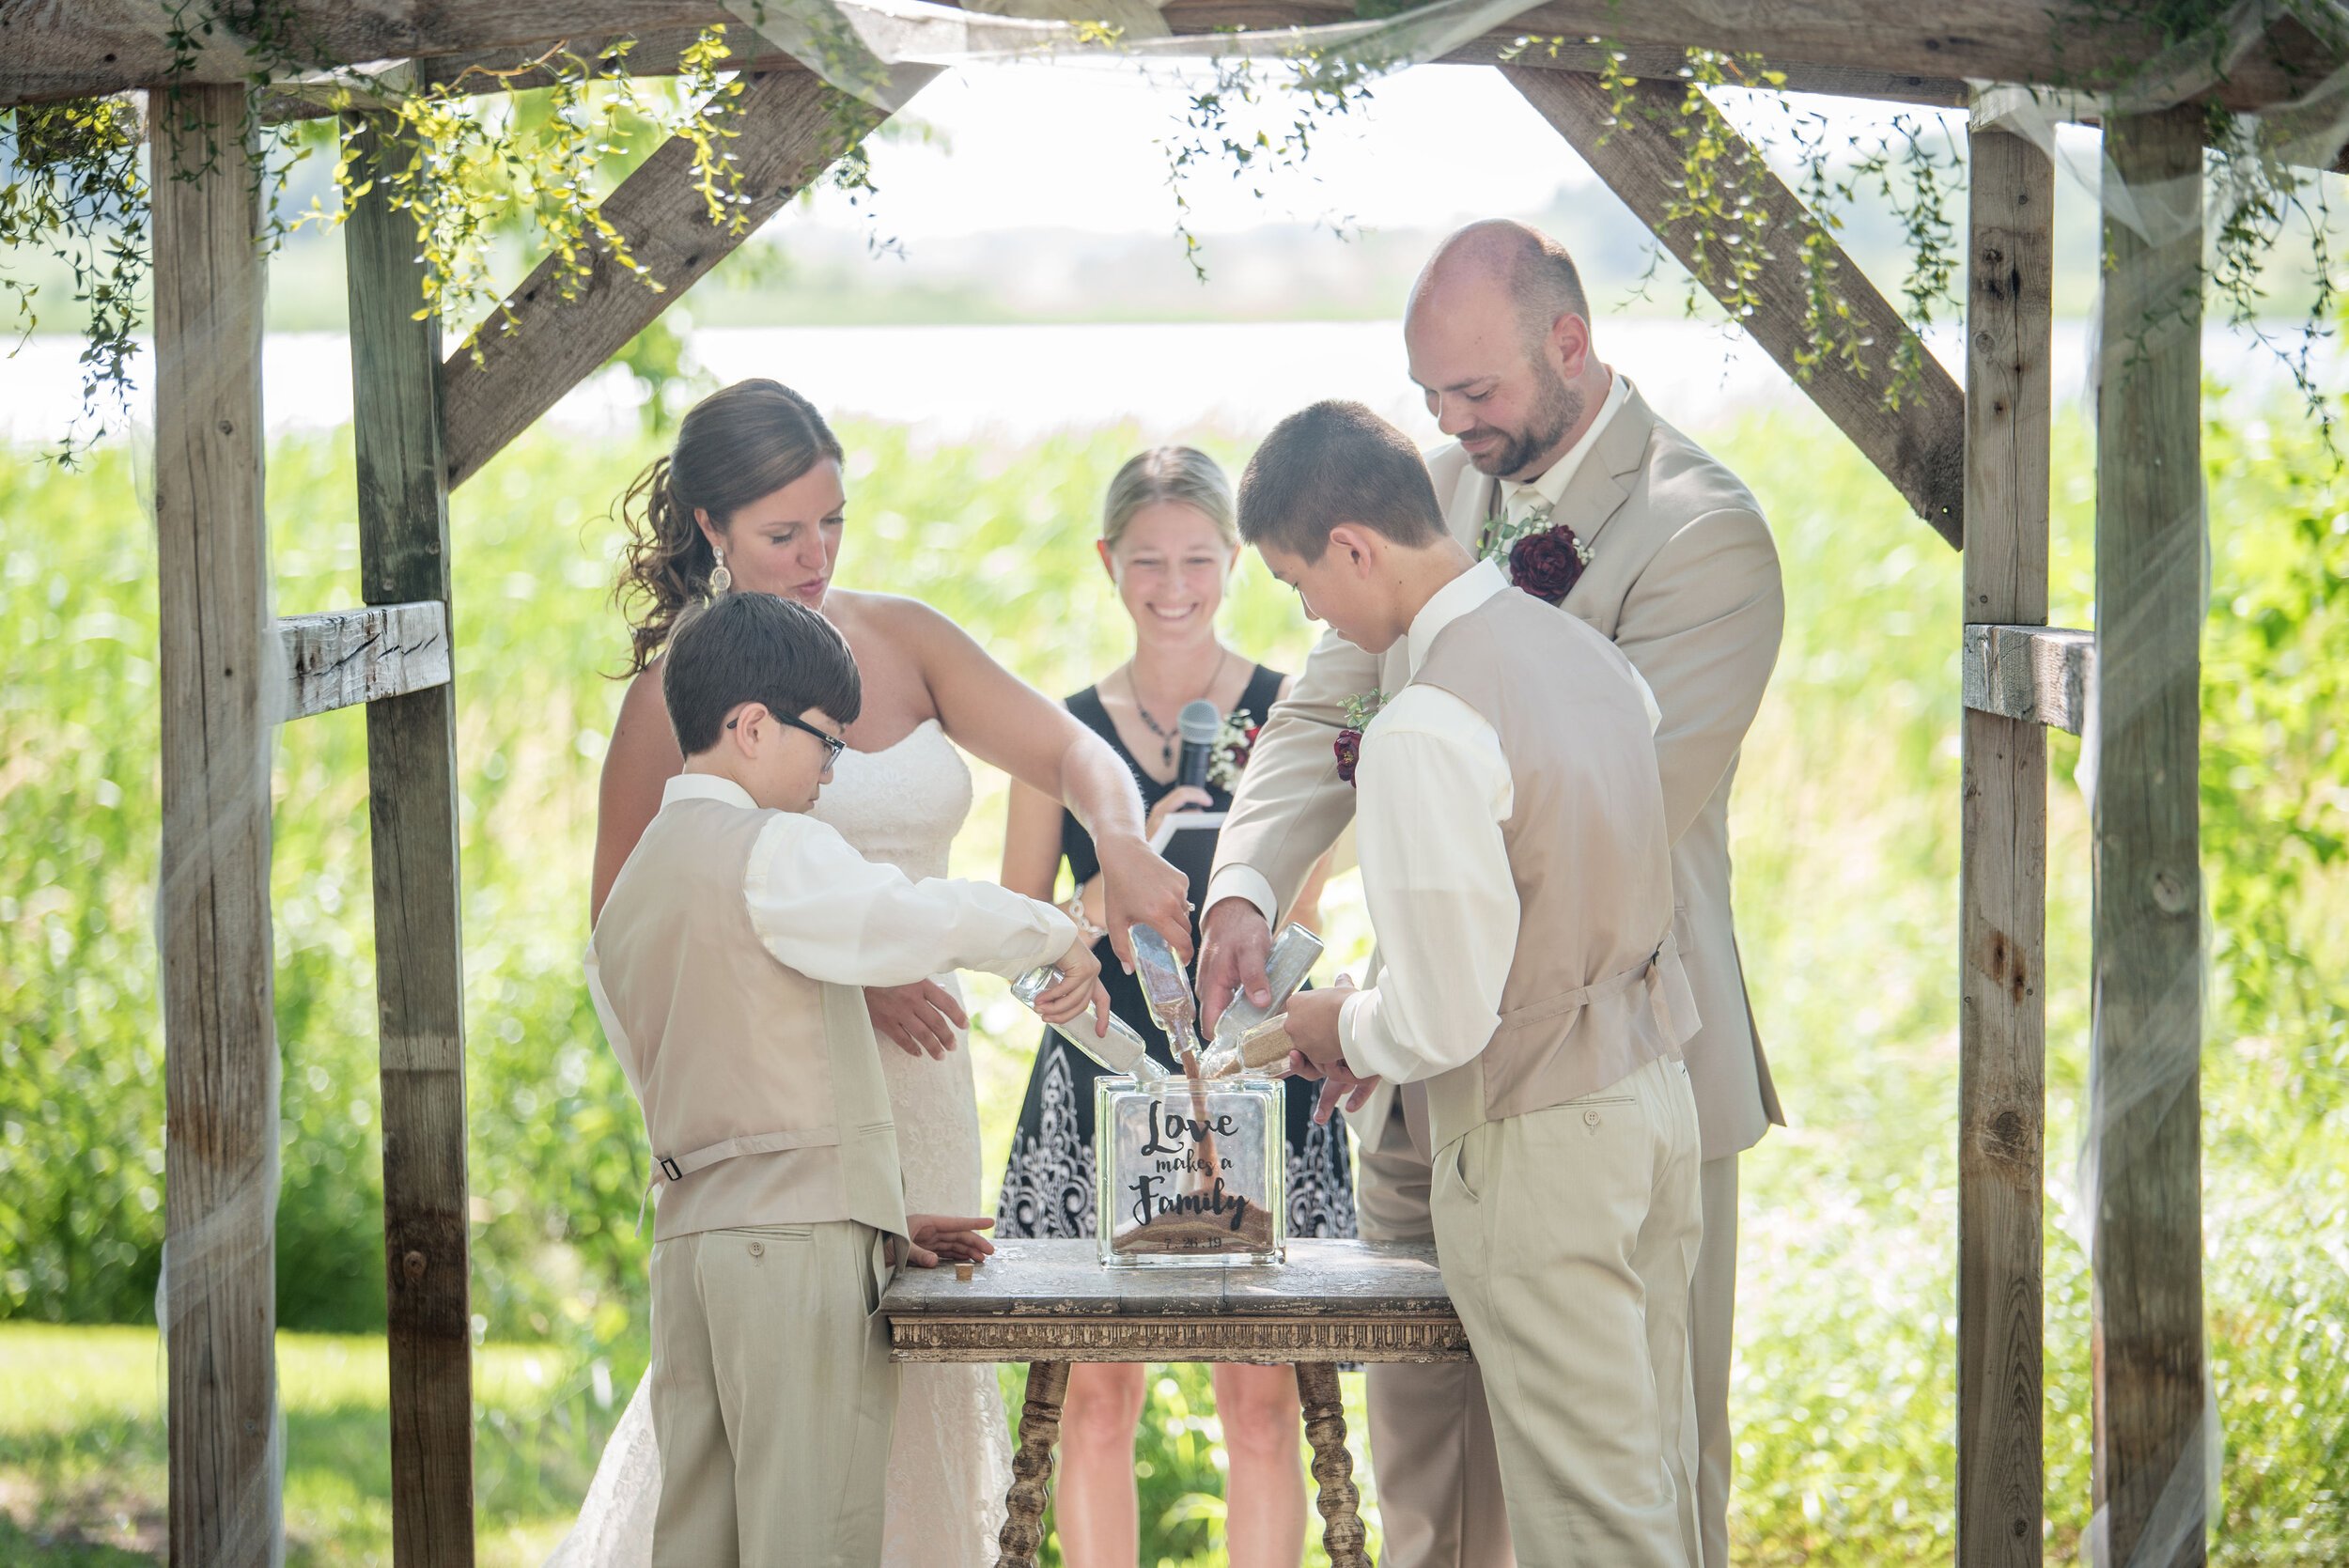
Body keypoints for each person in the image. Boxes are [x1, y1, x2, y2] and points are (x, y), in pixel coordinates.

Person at [1200, 222, 1784, 1568]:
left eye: (1477, 394)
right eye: (1431, 399)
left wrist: (1355, 1018)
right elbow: (1322, 707)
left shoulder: (1702, 534)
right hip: (1430, 1068)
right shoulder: (1434, 504)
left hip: (1612, 1050)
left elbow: (1620, 820)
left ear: (1569, 346)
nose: (1455, 426)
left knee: (1633, 1476)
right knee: (1434, 1474)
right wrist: (1244, 886)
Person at [566, 380, 1190, 1568]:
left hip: (921, 1095)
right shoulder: (680, 699)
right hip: (778, 1116)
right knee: (782, 1452)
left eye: (831, 522)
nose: (814, 555)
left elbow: (1070, 749)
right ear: (710, 527)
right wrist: (851, 976)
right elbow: (633, 942)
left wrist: (1116, 842)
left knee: (912, 1415)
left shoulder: (901, 636)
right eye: (781, 532)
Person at [1236, 398, 1704, 1567]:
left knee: (1588, 1515)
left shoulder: (1424, 724)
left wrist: (1334, 1018)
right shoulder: (1590, 660)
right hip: (1654, 1096)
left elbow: (1445, 1015)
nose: (1314, 615)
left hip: (1538, 1134)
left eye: (1302, 585)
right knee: (1652, 1474)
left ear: (1353, 545)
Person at [585, 590, 1112, 1564]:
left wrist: (871, 1219)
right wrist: (1051, 931)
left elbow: (702, 1090)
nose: (834, 770)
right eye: (826, 742)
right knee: (811, 1533)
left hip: (691, 1248)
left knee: (698, 1538)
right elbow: (908, 916)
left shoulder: (630, 895)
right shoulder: (773, 849)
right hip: (788, 1259)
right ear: (749, 727)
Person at [994, 447, 1355, 1568]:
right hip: (1102, 1066)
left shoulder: (1292, 709)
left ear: (1235, 560)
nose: (1173, 583)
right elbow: (1012, 924)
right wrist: (1112, 881)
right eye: (1147, 559)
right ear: (1109, 563)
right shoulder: (1055, 733)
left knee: (1262, 1402)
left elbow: (1309, 899)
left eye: (1197, 558)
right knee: (1095, 1399)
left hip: (1249, 1065)